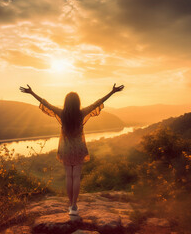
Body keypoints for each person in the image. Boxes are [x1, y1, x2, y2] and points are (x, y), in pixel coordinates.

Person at [19, 83, 124, 215]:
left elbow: (45, 103)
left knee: (69, 176)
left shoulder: (62, 113)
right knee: (76, 177)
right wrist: (112, 91)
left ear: (66, 103)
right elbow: (99, 102)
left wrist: (32, 92)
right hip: (79, 148)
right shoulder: (81, 113)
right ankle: (74, 206)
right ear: (78, 102)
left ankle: (70, 205)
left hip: (66, 149)